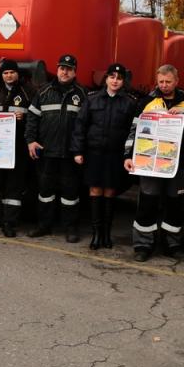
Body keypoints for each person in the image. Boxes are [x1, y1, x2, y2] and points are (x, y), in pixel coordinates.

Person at [124, 64, 184, 262]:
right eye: (161, 82)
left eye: (168, 82)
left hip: (177, 165)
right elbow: (133, 131)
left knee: (175, 205)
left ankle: (172, 245)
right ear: (156, 81)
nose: (165, 85)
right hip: (149, 164)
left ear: (176, 81)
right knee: (147, 204)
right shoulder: (146, 102)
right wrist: (128, 155)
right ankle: (143, 245)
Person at [71, 63, 137, 249]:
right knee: (95, 191)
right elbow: (80, 126)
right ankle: (96, 235)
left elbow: (134, 131)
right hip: (94, 153)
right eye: (112, 77)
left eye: (119, 78)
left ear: (123, 81)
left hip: (115, 155)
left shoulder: (130, 102)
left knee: (110, 192)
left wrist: (128, 155)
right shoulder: (92, 99)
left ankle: (106, 235)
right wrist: (77, 151)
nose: (115, 81)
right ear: (106, 79)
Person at [25, 54, 87, 242]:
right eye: (62, 68)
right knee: (45, 192)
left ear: (74, 71)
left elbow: (85, 125)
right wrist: (30, 140)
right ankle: (44, 226)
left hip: (70, 153)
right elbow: (32, 118)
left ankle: (70, 228)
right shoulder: (43, 92)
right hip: (47, 151)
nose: (65, 71)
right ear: (57, 69)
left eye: (69, 68)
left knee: (70, 193)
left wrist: (80, 149)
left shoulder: (82, 94)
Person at [0, 58, 32, 237]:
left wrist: (24, 118)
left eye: (11, 72)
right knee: (1, 183)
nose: (9, 75)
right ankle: (3, 216)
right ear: (1, 75)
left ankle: (10, 223)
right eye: (5, 73)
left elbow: (36, 119)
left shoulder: (28, 93)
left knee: (14, 184)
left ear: (17, 73)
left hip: (18, 147)